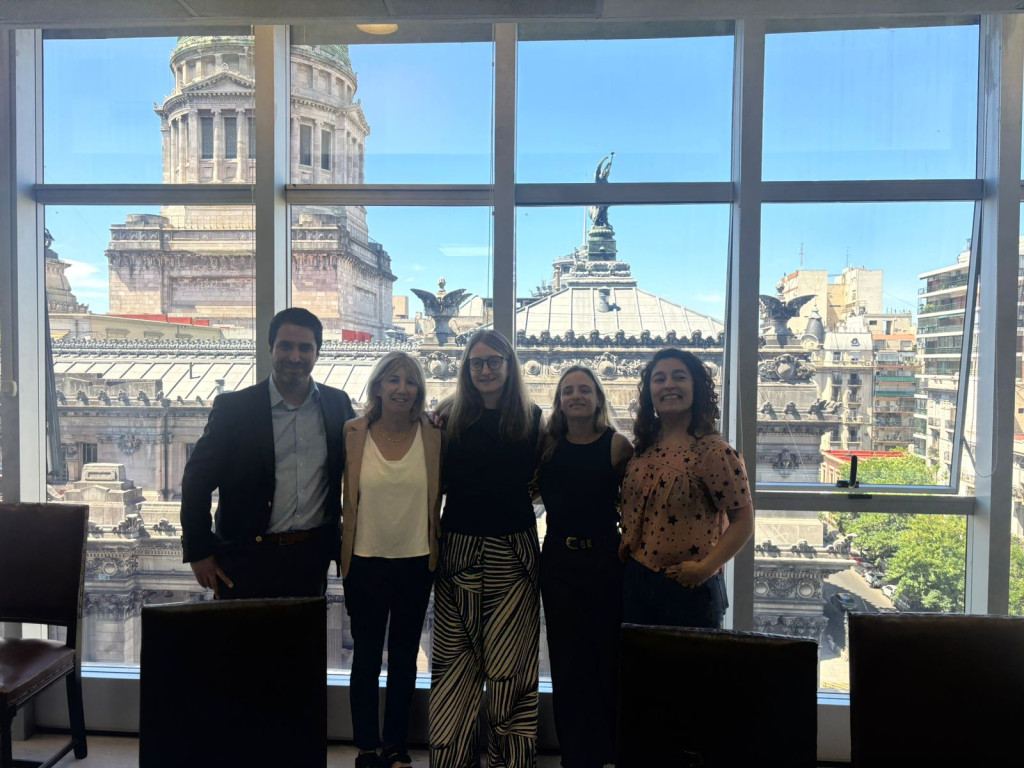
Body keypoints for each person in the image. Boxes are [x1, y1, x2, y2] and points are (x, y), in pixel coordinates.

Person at [180, 307, 355, 599]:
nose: (295, 357)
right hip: (245, 560)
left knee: (305, 631)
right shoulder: (235, 409)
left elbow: (366, 449)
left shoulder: (337, 404)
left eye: (305, 348)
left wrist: (429, 420)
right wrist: (199, 551)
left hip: (310, 560)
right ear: (270, 348)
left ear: (317, 352)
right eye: (285, 346)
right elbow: (196, 479)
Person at [429, 329, 542, 768]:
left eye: (494, 361)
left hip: (514, 551)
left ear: (509, 366)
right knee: (454, 664)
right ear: (466, 369)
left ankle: (510, 762)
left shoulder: (533, 419)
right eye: (476, 362)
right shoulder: (448, 416)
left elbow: (543, 482)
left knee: (512, 667)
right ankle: (452, 761)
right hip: (458, 548)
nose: (485, 369)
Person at [341, 352, 443, 768]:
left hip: (416, 560)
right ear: (378, 386)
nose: (402, 388)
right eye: (394, 380)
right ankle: (367, 746)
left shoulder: (434, 434)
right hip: (364, 561)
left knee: (404, 658)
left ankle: (396, 745)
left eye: (411, 381)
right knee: (365, 658)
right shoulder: (353, 432)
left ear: (419, 390)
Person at [536, 365, 633, 768]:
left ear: (597, 399)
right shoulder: (546, 445)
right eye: (568, 391)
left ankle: (609, 750)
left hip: (605, 562)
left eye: (584, 390)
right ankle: (575, 756)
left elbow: (636, 502)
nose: (575, 396)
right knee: (567, 661)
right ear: (559, 401)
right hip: (558, 562)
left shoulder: (617, 445)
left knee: (607, 657)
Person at [619, 348, 754, 628]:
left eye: (679, 377)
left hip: (690, 590)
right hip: (636, 583)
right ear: (650, 393)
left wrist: (704, 568)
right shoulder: (644, 447)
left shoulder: (714, 451)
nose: (669, 385)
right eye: (659, 379)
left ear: (696, 389)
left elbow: (743, 522)